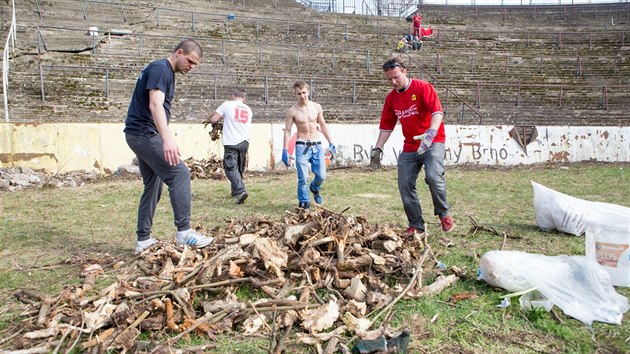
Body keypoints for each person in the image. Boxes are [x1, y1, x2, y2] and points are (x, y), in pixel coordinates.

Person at [124, 39, 214, 254]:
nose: (191, 67)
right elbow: (154, 104)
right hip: (144, 133)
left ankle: (143, 240)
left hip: (137, 134)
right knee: (180, 173)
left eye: (195, 65)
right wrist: (167, 138)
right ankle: (184, 233)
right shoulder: (161, 68)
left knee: (154, 184)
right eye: (190, 61)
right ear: (179, 52)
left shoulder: (165, 72)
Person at [370, 57, 454, 237]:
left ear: (404, 71)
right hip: (410, 146)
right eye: (389, 79)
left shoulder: (423, 87)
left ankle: (443, 213)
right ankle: (416, 225)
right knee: (405, 184)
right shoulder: (391, 99)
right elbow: (386, 126)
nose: (393, 82)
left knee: (433, 176)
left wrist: (430, 134)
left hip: (433, 141)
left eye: (396, 77)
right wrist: (377, 148)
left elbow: (437, 113)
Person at [282, 81, 335, 209]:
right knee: (303, 177)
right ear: (295, 94)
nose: (302, 96)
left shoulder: (316, 107)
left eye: (304, 93)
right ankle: (304, 202)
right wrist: (285, 149)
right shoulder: (292, 111)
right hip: (302, 146)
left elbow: (322, 125)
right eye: (299, 93)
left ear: (308, 92)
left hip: (317, 145)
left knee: (321, 175)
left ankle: (315, 187)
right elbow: (288, 130)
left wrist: (331, 142)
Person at [207, 88, 253, 204]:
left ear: (233, 96)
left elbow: (214, 119)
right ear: (244, 98)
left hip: (231, 141)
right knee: (239, 167)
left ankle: (240, 191)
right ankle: (235, 191)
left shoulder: (227, 105)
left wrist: (217, 122)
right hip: (244, 142)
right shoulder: (248, 109)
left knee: (230, 168)